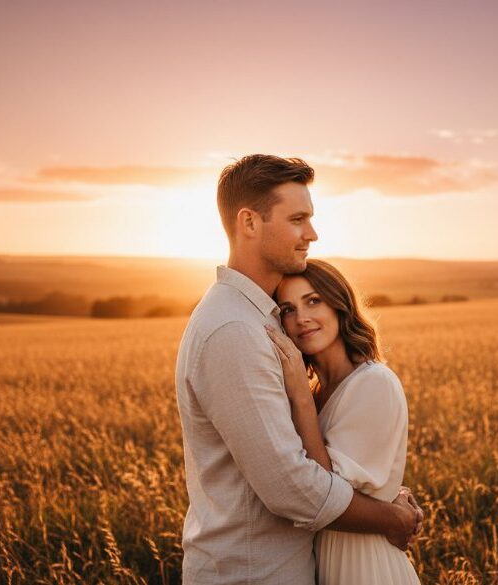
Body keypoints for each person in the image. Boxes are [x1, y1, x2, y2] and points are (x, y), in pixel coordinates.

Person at [174, 154, 423, 585]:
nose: (312, 233)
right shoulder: (234, 330)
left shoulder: (259, 320)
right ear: (249, 222)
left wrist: (379, 494)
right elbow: (290, 487)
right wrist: (388, 516)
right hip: (252, 574)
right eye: (297, 219)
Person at [268, 259, 421, 584]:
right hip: (322, 562)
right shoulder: (315, 391)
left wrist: (299, 396)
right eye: (288, 309)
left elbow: (322, 490)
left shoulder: (373, 382)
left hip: (366, 565)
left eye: (313, 301)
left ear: (340, 304)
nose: (302, 318)